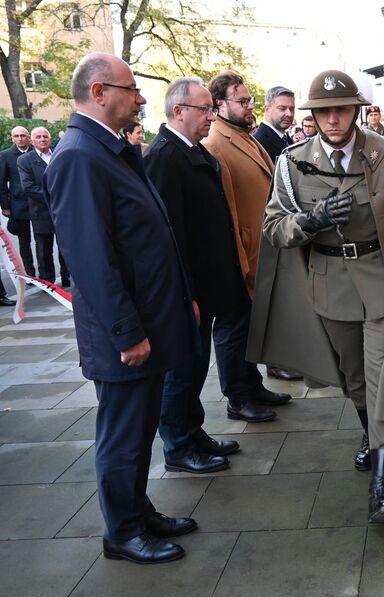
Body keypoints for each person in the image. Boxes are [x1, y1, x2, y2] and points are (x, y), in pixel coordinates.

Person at [248, 69, 384, 523]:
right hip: (328, 283)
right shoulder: (292, 163)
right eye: (323, 112)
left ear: (356, 110)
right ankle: (371, 436)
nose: (333, 119)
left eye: (341, 110)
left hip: (383, 281)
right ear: (313, 116)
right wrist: (312, 220)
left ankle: (383, 483)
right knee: (355, 379)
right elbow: (274, 228)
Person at [45, 52, 199, 564]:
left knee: (138, 428)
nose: (138, 98)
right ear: (98, 93)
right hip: (125, 333)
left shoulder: (108, 150)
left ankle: (138, 511)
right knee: (123, 437)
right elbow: (91, 259)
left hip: (148, 322)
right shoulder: (78, 155)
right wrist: (125, 331)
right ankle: (123, 533)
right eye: (130, 88)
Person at [144, 77, 247, 474]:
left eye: (211, 108)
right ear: (178, 111)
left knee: (196, 362)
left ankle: (194, 431)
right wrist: (185, 293)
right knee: (181, 370)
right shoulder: (164, 157)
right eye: (204, 109)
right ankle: (179, 445)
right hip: (188, 289)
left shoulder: (191, 151)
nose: (211, 115)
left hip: (207, 283)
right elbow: (168, 236)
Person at [204, 70, 295, 404]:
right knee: (234, 330)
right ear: (219, 104)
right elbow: (227, 209)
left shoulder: (244, 136)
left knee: (250, 326)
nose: (248, 106)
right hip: (239, 256)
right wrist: (241, 257)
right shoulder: (216, 143)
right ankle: (239, 398)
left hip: (262, 248)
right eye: (241, 101)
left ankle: (252, 386)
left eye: (249, 100)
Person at [18, 127, 69, 287]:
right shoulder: (25, 160)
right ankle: (48, 282)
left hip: (63, 210)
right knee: (44, 250)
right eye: (38, 137)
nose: (42, 139)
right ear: (32, 141)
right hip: (41, 211)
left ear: (50, 138)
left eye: (45, 136)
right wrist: (54, 196)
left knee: (66, 247)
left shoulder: (60, 154)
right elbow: (28, 186)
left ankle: (68, 278)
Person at [0, 126, 36, 280]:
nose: (20, 138)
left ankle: (47, 274)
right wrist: (5, 206)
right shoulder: (5, 155)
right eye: (17, 136)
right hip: (18, 205)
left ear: (28, 137)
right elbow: (1, 182)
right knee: (24, 242)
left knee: (44, 240)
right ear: (12, 138)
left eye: (23, 135)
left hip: (38, 202)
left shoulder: (36, 153)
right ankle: (30, 274)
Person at [252, 85, 295, 163]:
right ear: (267, 110)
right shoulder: (257, 143)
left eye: (292, 109)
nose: (289, 114)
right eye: (282, 108)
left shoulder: (288, 140)